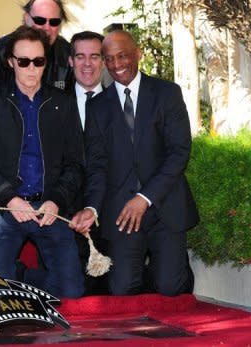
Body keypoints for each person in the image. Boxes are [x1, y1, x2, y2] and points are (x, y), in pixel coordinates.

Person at [70, 30, 199, 296]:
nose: (116, 65)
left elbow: (179, 152)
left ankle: (172, 268)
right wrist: (92, 208)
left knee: (170, 287)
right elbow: (97, 166)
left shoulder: (167, 93)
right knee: (122, 288)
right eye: (109, 59)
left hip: (164, 207)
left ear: (138, 53)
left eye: (122, 56)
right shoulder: (98, 107)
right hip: (121, 214)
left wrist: (145, 197)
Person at [0, 26, 85, 298]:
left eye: (39, 61)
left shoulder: (64, 104)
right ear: (11, 62)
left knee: (71, 294)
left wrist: (56, 200)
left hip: (50, 208)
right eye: (23, 62)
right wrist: (9, 199)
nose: (32, 69)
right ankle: (16, 285)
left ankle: (25, 279)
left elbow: (75, 164)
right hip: (5, 209)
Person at [68, 30, 108, 295]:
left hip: (107, 206)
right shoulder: (54, 103)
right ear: (70, 61)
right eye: (80, 56)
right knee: (72, 287)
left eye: (94, 56)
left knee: (116, 286)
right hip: (64, 205)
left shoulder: (119, 102)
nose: (87, 64)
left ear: (103, 61)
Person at [0, 0, 72, 91]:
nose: (47, 28)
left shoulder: (68, 53)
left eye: (54, 22)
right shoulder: (1, 51)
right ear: (26, 18)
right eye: (40, 20)